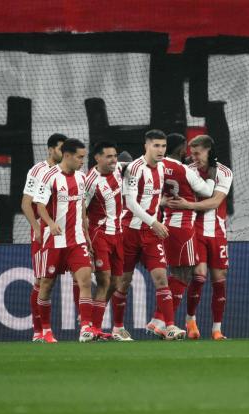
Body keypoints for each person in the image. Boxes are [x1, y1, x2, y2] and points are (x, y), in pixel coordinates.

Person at [117, 129, 185, 341]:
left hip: (151, 234)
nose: (160, 150)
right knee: (123, 282)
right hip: (129, 231)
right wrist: (154, 221)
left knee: (161, 279)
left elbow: (152, 198)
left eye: (163, 146)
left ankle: (170, 327)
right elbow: (130, 202)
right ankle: (118, 328)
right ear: (146, 146)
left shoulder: (163, 168)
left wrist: (160, 207)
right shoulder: (134, 169)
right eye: (156, 146)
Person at [166, 135, 233, 340]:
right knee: (199, 275)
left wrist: (189, 206)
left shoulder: (224, 172)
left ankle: (217, 329)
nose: (194, 157)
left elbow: (215, 202)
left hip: (217, 232)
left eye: (198, 153)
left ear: (209, 151)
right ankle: (190, 320)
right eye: (191, 153)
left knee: (219, 280)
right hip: (194, 230)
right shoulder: (188, 170)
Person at [33, 138, 94, 343]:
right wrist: (50, 223)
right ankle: (46, 331)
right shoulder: (49, 176)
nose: (82, 161)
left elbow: (82, 207)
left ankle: (85, 328)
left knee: (85, 280)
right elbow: (39, 205)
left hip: (77, 240)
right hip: (54, 241)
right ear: (67, 155)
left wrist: (86, 234)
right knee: (47, 285)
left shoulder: (82, 178)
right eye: (79, 157)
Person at [160, 133, 215, 317]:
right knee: (183, 275)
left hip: (165, 224)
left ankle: (160, 319)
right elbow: (207, 191)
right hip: (182, 227)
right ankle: (162, 320)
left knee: (175, 273)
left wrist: (162, 202)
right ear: (182, 148)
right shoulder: (185, 170)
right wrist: (212, 173)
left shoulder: (157, 167)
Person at [20, 133, 66, 342]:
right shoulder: (38, 170)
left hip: (66, 232)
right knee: (41, 280)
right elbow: (26, 203)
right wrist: (36, 227)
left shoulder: (69, 170)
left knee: (78, 277)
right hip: (45, 232)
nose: (64, 153)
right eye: (60, 149)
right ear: (50, 149)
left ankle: (87, 327)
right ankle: (39, 331)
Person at [84, 141, 125, 341]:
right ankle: (94, 328)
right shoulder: (90, 181)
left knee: (116, 283)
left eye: (115, 156)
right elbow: (81, 212)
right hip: (99, 234)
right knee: (104, 280)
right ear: (97, 158)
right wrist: (85, 240)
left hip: (118, 235)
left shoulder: (119, 169)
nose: (113, 160)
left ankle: (93, 320)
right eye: (109, 157)